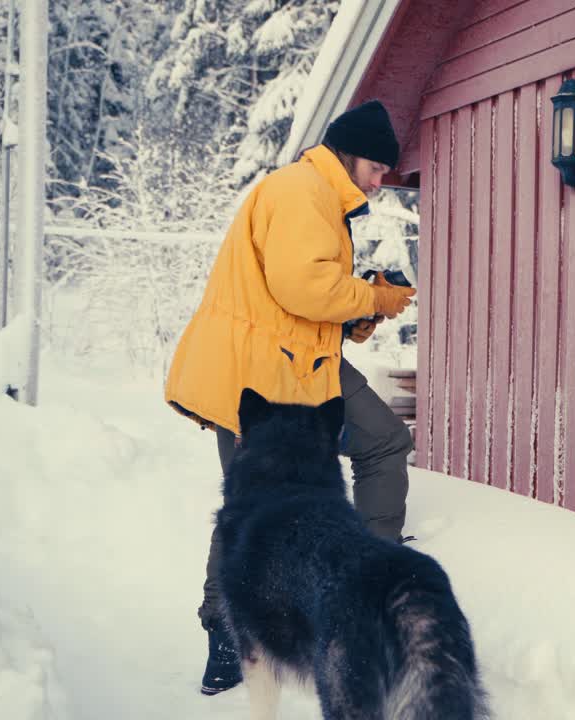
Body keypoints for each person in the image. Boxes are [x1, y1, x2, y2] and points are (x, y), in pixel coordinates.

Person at [162, 99, 418, 695]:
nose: (381, 184)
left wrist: (358, 314)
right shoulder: (301, 190)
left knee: (382, 441)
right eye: (378, 169)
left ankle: (364, 580)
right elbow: (303, 285)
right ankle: (228, 634)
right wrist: (373, 299)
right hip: (256, 373)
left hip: (298, 363)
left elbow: (304, 294)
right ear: (349, 155)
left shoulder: (318, 196)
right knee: (251, 508)